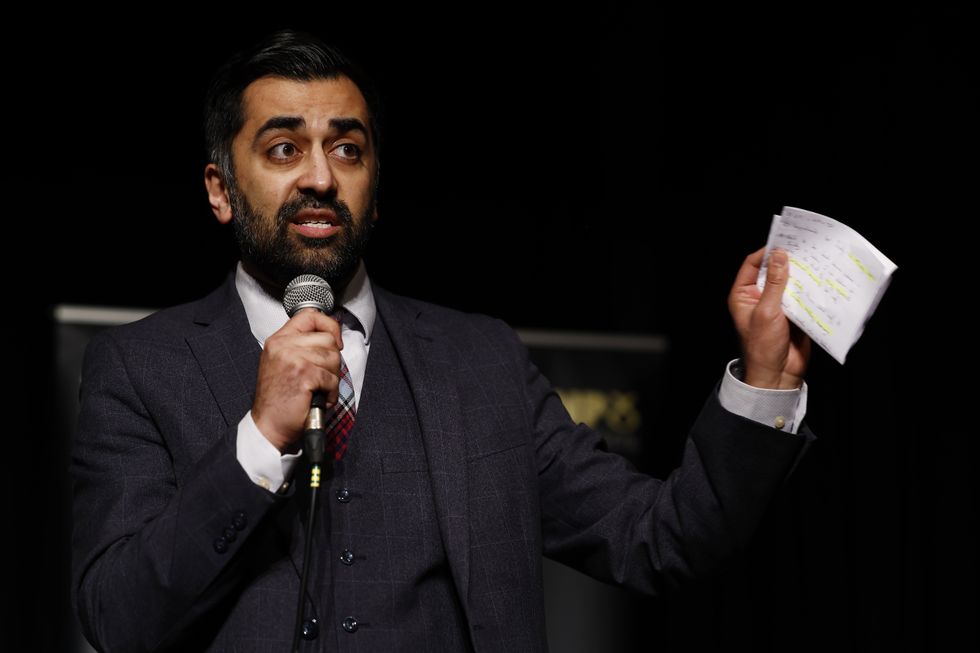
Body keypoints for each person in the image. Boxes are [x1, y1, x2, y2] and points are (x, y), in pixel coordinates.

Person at [71, 29, 813, 653]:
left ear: (376, 185)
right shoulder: (140, 367)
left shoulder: (481, 360)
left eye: (348, 150)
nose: (322, 177)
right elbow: (118, 617)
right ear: (220, 187)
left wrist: (764, 379)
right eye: (284, 149)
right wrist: (262, 439)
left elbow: (660, 536)